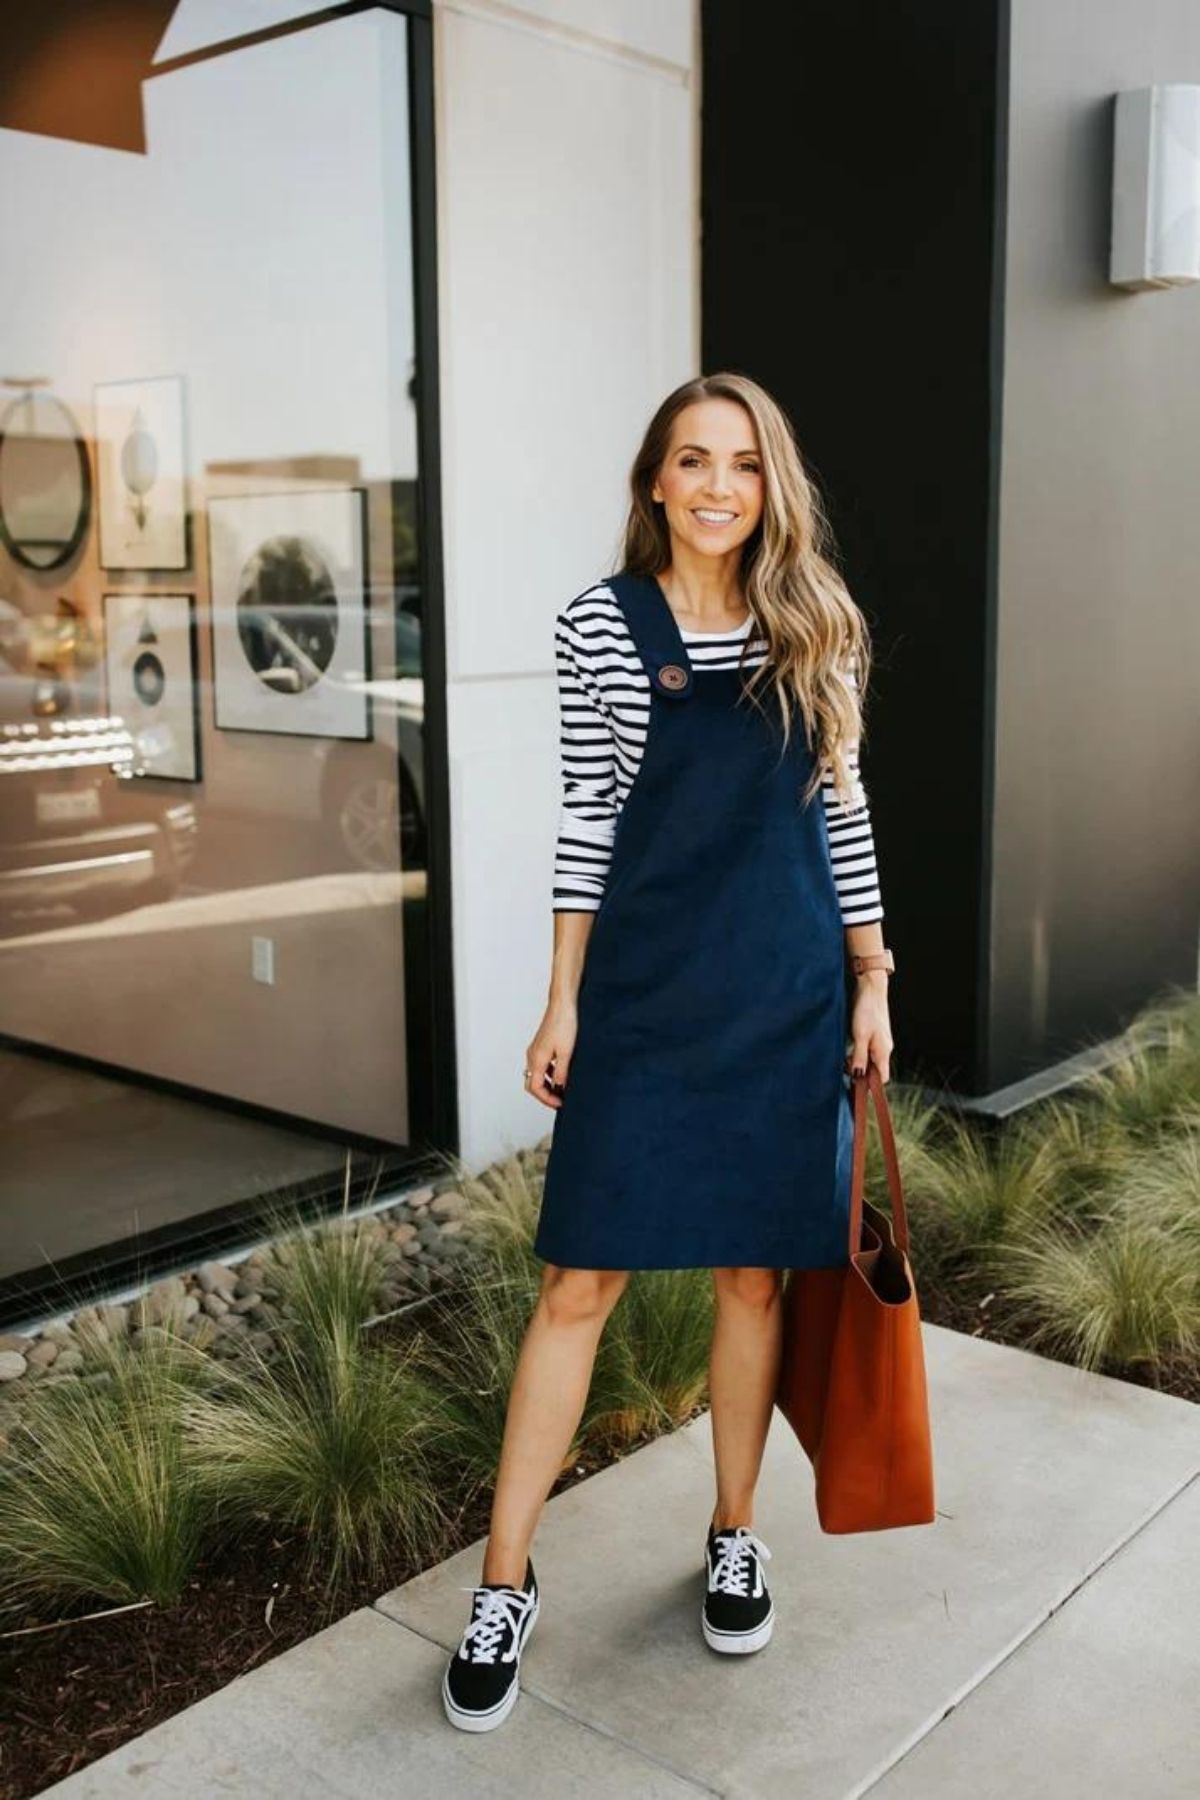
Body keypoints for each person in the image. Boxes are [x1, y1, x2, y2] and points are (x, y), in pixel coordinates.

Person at [442, 372, 895, 1733]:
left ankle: (736, 1530)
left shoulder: (815, 624)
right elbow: (589, 814)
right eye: (692, 461)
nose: (717, 487)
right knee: (580, 1279)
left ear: (772, 486)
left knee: (754, 1278)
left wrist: (872, 978)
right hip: (643, 998)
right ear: (654, 481)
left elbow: (843, 810)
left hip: (786, 998)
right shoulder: (603, 625)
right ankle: (503, 1583)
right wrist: (561, 998)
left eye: (743, 465)